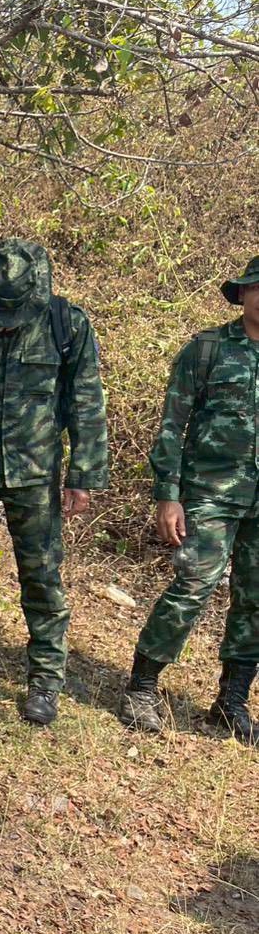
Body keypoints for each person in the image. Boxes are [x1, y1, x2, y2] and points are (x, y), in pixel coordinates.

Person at [0, 239, 109, 726]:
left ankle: (45, 680)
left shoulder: (66, 324)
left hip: (35, 475)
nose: (2, 322)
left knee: (42, 579)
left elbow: (85, 400)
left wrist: (83, 475)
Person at [120, 256, 259, 746]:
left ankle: (232, 701)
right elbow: (171, 425)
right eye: (257, 288)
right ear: (242, 295)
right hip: (210, 493)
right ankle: (142, 686)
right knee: (194, 585)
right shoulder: (208, 349)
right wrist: (168, 495)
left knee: (255, 600)